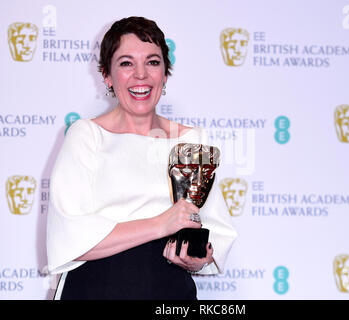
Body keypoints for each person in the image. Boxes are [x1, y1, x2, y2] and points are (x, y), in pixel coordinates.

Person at [46, 16, 237, 300]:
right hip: (95, 289)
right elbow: (70, 238)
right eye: (126, 63)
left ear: (165, 73)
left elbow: (212, 231)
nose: (141, 75)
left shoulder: (190, 140)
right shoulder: (86, 136)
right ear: (107, 76)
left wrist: (198, 258)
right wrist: (161, 223)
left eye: (152, 62)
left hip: (170, 292)